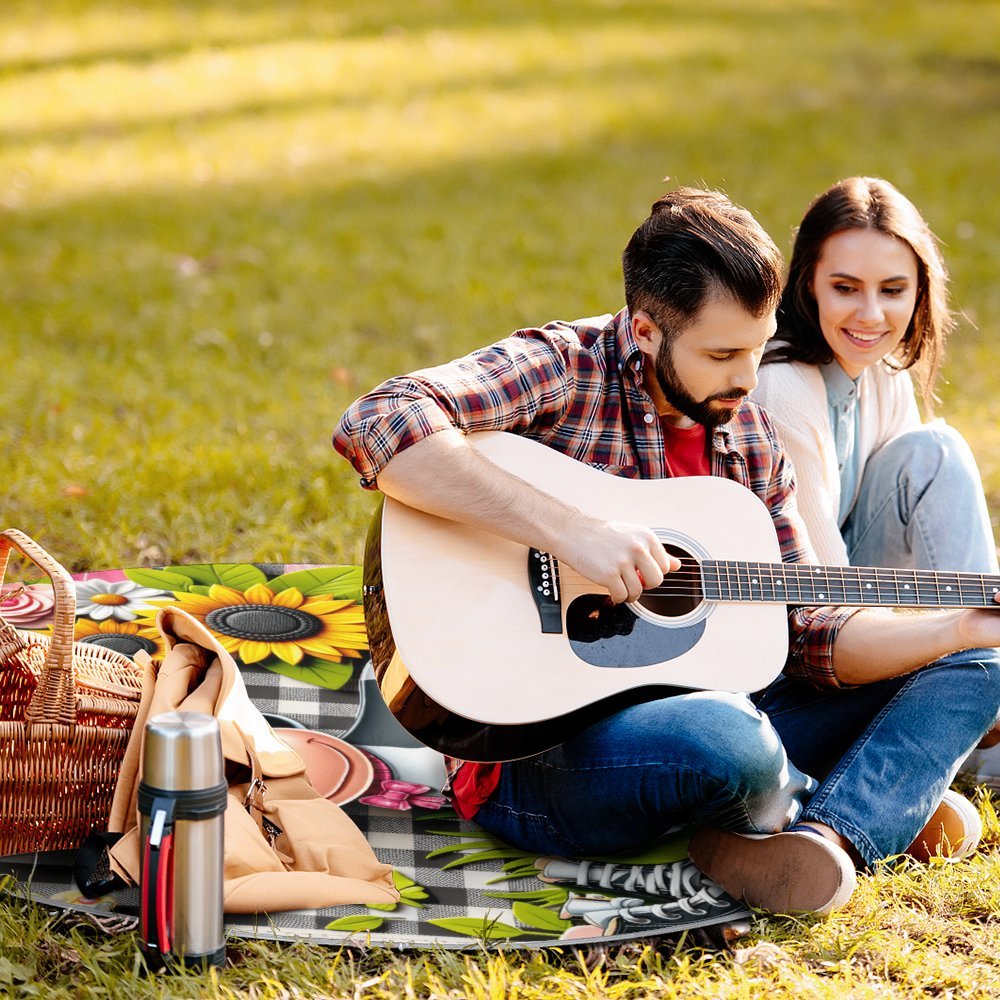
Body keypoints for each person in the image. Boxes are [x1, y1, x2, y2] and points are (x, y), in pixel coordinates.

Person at [333, 187, 1000, 916]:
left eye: (757, 346)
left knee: (980, 664)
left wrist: (956, 628)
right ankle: (858, 795)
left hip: (726, 708)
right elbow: (380, 419)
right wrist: (569, 531)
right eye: (722, 354)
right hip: (535, 754)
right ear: (646, 330)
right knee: (729, 743)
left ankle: (830, 838)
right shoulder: (564, 367)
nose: (748, 380)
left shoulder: (748, 436)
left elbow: (809, 629)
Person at [753, 176, 1000, 787]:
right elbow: (823, 602)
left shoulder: (881, 370)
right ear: (807, 281)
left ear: (920, 291)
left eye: (893, 290)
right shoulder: (783, 386)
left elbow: (920, 552)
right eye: (845, 288)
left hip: (858, 614)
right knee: (937, 450)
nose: (871, 315)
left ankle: (979, 695)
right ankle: (977, 726)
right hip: (794, 647)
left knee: (931, 451)